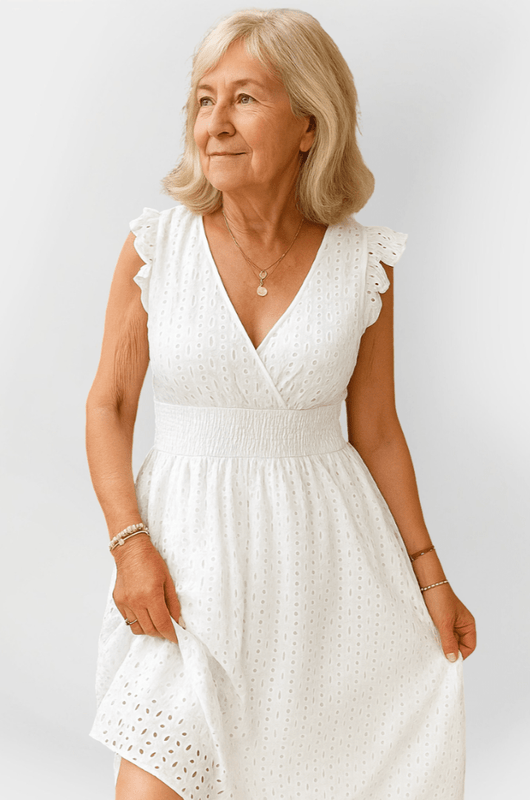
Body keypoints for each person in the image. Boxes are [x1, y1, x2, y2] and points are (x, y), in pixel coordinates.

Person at [86, 8, 477, 800]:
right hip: (183, 565)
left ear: (308, 124)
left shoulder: (363, 262)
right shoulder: (157, 246)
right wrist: (129, 545)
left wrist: (431, 578)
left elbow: (377, 432)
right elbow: (110, 405)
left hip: (323, 570)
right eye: (204, 100)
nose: (215, 124)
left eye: (244, 99)